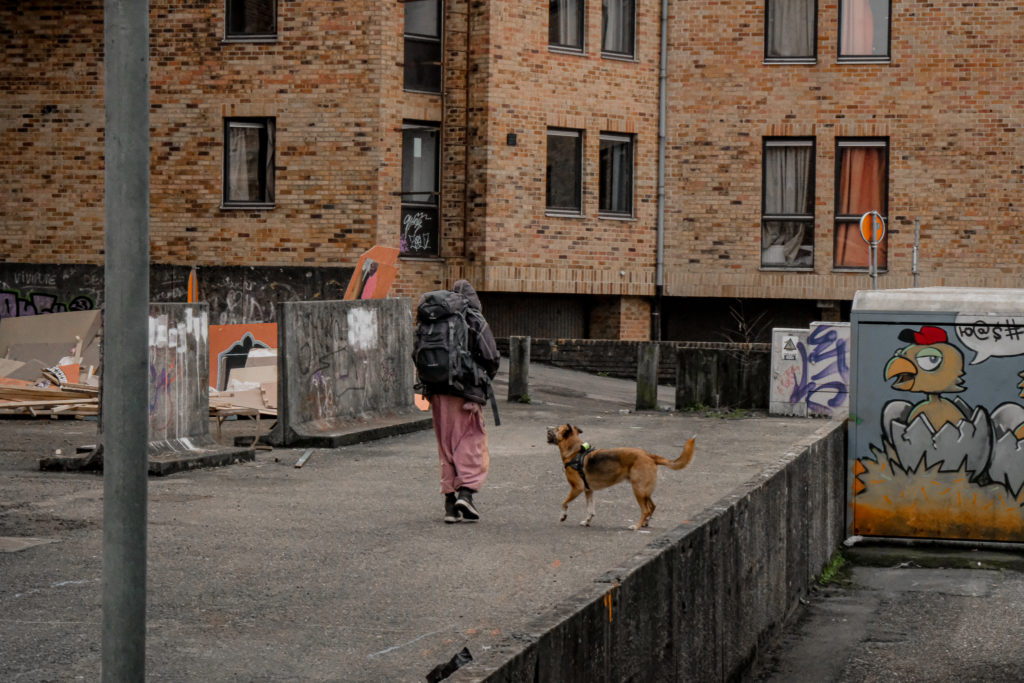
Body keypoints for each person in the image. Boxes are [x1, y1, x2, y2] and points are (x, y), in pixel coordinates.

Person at [416, 279, 500, 523]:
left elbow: (416, 353)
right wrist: (483, 381)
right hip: (465, 391)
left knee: (447, 446)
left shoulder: (433, 318)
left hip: (436, 390)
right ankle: (466, 493)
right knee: (471, 442)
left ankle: (450, 504)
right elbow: (490, 354)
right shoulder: (472, 317)